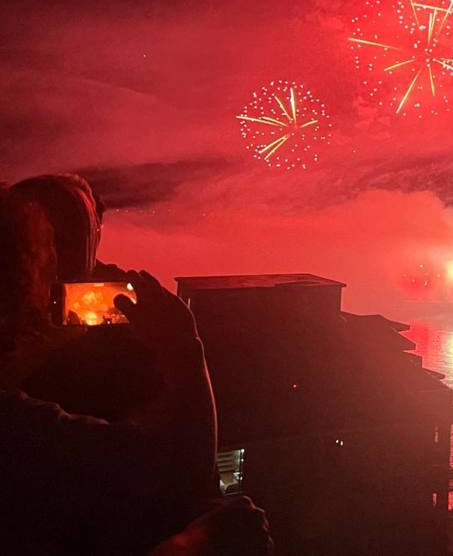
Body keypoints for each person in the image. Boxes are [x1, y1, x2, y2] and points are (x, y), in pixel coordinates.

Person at [0, 185, 270, 555]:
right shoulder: (18, 426)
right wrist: (185, 348)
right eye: (44, 251)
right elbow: (174, 472)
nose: (55, 268)